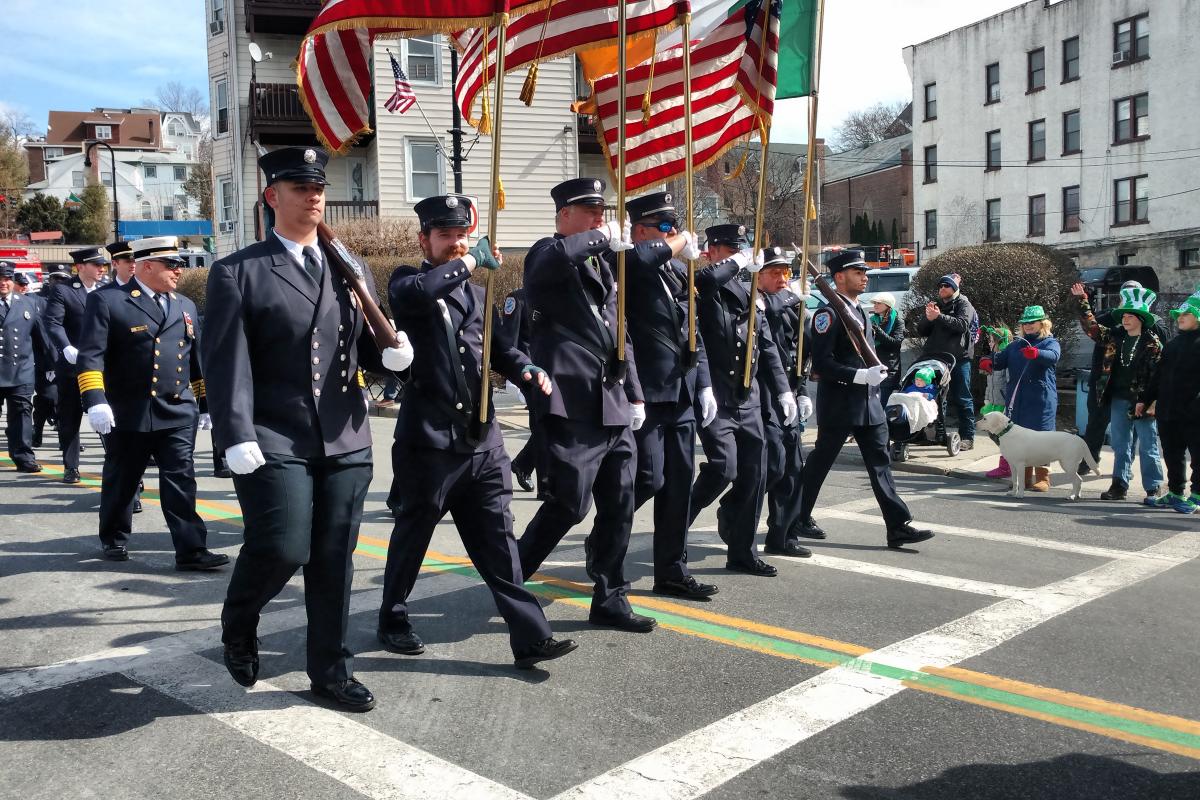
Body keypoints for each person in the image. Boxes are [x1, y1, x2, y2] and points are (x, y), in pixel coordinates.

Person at [203, 146, 413, 711]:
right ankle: (240, 620)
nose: (314, 196)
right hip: (274, 432)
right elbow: (225, 363)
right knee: (283, 545)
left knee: (334, 557)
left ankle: (331, 670)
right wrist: (234, 432)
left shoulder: (349, 265)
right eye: (300, 187)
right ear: (273, 196)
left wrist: (392, 354)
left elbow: (363, 345)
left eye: (319, 187)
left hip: (344, 434)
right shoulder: (238, 271)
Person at [376, 195, 576, 669]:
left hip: (483, 441)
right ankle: (393, 616)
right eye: (445, 235)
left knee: (499, 541)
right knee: (414, 534)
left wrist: (527, 369)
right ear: (424, 240)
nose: (456, 243)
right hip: (430, 443)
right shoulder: (407, 283)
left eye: (462, 235)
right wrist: (468, 262)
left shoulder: (479, 296)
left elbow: (500, 350)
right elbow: (425, 289)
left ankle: (530, 636)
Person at [516, 177, 655, 633]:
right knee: (569, 505)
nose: (599, 218)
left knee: (620, 503)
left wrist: (635, 392)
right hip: (572, 402)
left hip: (612, 401)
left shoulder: (602, 265)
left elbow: (619, 334)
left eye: (602, 212)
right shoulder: (546, 253)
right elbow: (554, 261)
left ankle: (610, 597)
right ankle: (511, 577)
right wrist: (602, 237)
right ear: (564, 215)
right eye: (590, 211)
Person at [76, 237, 228, 568]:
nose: (178, 271)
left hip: (177, 410)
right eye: (171, 265)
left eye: (179, 265)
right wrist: (95, 399)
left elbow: (195, 360)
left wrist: (204, 404)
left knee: (181, 479)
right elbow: (91, 356)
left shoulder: (185, 305)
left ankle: (191, 550)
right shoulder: (109, 301)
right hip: (129, 411)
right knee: (123, 479)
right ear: (146, 266)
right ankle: (114, 537)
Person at [797, 250, 934, 549]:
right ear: (839, 277)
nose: (864, 277)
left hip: (869, 404)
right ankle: (797, 516)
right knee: (820, 463)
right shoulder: (828, 314)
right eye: (857, 272)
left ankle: (897, 526)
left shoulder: (860, 311)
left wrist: (873, 377)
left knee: (880, 464)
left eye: (864, 272)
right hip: (840, 403)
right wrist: (859, 376)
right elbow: (822, 363)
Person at [623, 191, 719, 599]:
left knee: (679, 486)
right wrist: (680, 242)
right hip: (645, 392)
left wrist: (704, 383)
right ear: (639, 231)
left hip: (680, 391)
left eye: (675, 226)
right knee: (648, 477)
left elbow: (692, 331)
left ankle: (672, 571)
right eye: (664, 226)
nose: (673, 232)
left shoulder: (678, 272)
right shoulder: (627, 261)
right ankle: (606, 537)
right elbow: (642, 260)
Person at [690, 228, 796, 576]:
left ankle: (742, 552)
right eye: (728, 249)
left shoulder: (748, 292)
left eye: (739, 248)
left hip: (747, 397)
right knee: (723, 468)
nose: (735, 254)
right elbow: (707, 281)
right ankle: (675, 528)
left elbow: (765, 346)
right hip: (716, 395)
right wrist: (738, 261)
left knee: (755, 474)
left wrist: (784, 391)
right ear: (711, 251)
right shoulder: (702, 283)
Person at [1071, 283, 1164, 502]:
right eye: (1123, 315)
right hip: (1119, 399)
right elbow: (1092, 328)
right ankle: (1119, 486)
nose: (1125, 319)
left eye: (1130, 316)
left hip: (1142, 401)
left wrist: (1146, 401)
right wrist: (1083, 301)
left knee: (1148, 445)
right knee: (1121, 445)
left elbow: (1157, 377)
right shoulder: (1114, 336)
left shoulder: (1152, 344)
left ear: (1141, 319)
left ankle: (1153, 487)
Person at [756, 247, 815, 558]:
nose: (782, 278)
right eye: (774, 272)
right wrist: (793, 296)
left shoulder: (793, 307)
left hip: (788, 395)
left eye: (785, 272)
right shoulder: (756, 302)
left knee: (793, 467)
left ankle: (783, 534)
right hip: (762, 395)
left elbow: (799, 353)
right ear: (758, 276)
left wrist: (802, 390)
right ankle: (733, 511)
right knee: (773, 466)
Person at [44, 247, 109, 483]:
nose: (101, 269)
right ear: (80, 267)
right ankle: (71, 466)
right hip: (73, 366)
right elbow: (53, 322)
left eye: (103, 265)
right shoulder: (64, 290)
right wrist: (65, 347)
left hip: (101, 367)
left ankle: (116, 462)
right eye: (96, 265)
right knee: (70, 418)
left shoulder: (106, 291)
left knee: (106, 415)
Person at [1141, 290, 1200, 513]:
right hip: (1168, 410)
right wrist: (1145, 399)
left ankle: (1197, 495)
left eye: (1186, 314)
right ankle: (1175, 492)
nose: (1180, 317)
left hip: (1194, 412)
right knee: (1172, 454)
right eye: (1179, 314)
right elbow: (1159, 376)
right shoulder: (1174, 344)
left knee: (1198, 455)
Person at [991, 305, 1061, 492]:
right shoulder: (1015, 345)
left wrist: (1038, 353)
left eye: (1032, 322)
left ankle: (1043, 478)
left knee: (1042, 437)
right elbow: (999, 362)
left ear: (1042, 323)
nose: (1028, 326)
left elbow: (1053, 356)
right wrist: (990, 359)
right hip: (1018, 400)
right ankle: (1023, 478)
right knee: (1020, 439)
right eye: (1025, 323)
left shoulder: (1049, 342)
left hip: (1041, 399)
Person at [914, 274, 977, 450]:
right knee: (932, 396)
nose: (942, 288)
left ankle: (967, 437)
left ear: (954, 289)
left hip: (958, 359)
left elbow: (962, 325)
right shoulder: (936, 305)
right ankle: (935, 434)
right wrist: (928, 318)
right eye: (940, 286)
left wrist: (939, 317)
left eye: (946, 286)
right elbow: (921, 331)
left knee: (962, 398)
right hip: (935, 358)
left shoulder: (963, 304)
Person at [0, 262, 48, 473]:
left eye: (7, 279)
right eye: (0, 279)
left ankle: (23, 456)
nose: (3, 283)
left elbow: (41, 337)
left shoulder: (28, 303)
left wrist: (52, 365)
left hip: (21, 368)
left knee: (22, 413)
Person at [496, 287, 538, 492]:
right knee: (544, 424)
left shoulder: (554, 295)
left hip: (552, 370)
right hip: (528, 372)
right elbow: (508, 339)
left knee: (547, 425)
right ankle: (526, 467)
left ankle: (526, 467)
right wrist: (513, 376)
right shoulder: (517, 298)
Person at [978, 324, 1012, 479]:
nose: (990, 343)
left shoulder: (1006, 360)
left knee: (1002, 436)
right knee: (993, 434)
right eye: (990, 341)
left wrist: (1008, 405)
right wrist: (986, 398)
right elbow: (989, 383)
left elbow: (1009, 382)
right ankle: (1008, 462)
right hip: (992, 403)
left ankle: (1007, 465)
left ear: (1001, 341)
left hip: (1002, 404)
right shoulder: (993, 359)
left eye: (992, 341)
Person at [869, 292, 904, 401]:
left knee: (882, 403)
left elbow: (895, 343)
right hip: (873, 366)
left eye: (879, 303)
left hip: (889, 369)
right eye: (875, 303)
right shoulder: (872, 320)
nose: (875, 305)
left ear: (887, 305)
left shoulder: (897, 321)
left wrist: (878, 330)